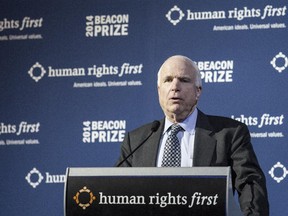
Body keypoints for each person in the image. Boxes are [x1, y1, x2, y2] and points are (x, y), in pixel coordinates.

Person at [116, 55, 269, 215]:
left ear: (198, 91)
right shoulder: (135, 141)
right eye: (168, 80)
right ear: (159, 91)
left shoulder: (229, 134)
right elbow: (114, 190)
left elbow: (250, 183)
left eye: (184, 80)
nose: (175, 86)